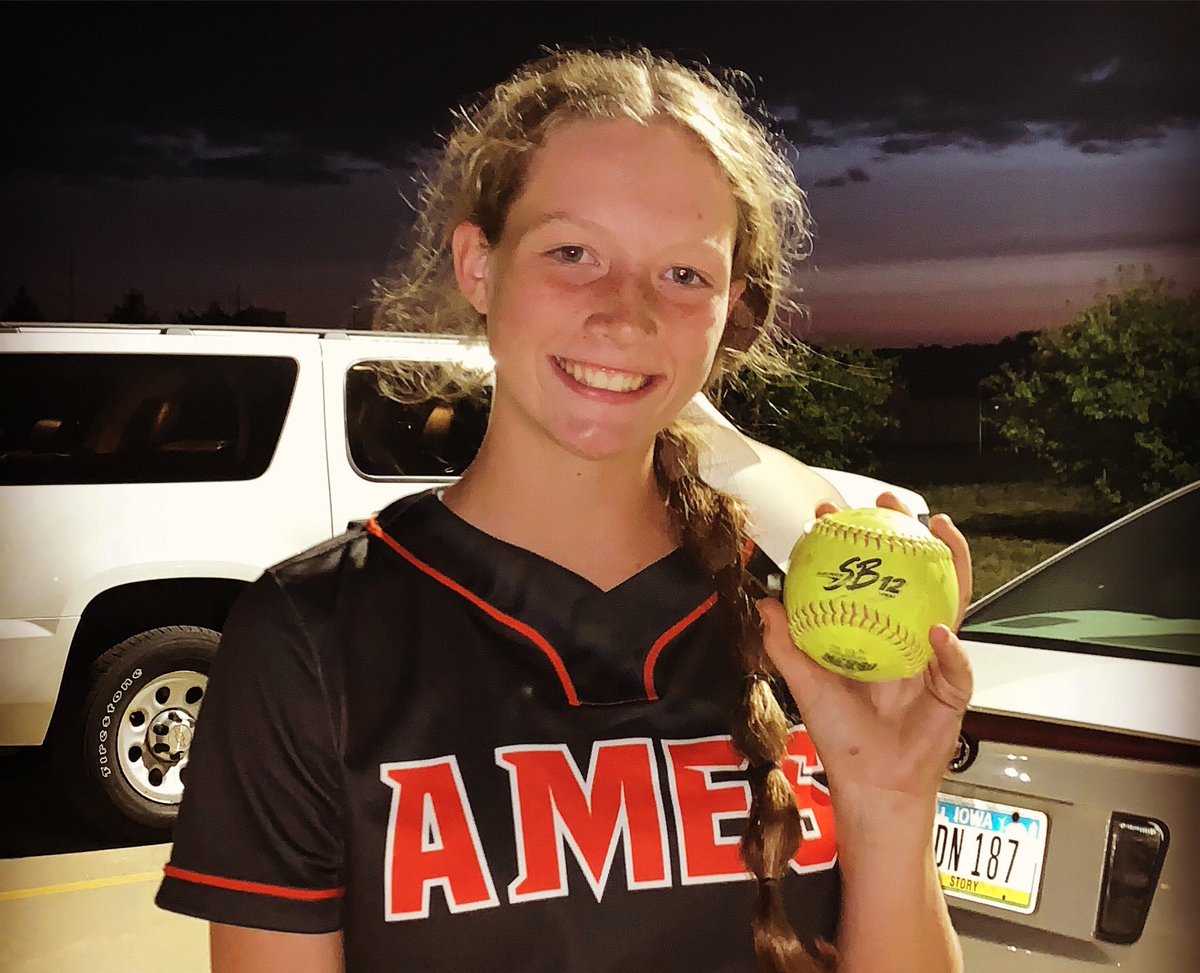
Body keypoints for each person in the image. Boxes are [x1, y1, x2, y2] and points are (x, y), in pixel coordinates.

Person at [156, 49, 972, 973]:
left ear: (730, 308)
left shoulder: (801, 625)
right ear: (479, 265)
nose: (624, 316)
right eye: (572, 252)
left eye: (683, 275)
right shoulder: (310, 639)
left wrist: (894, 800)